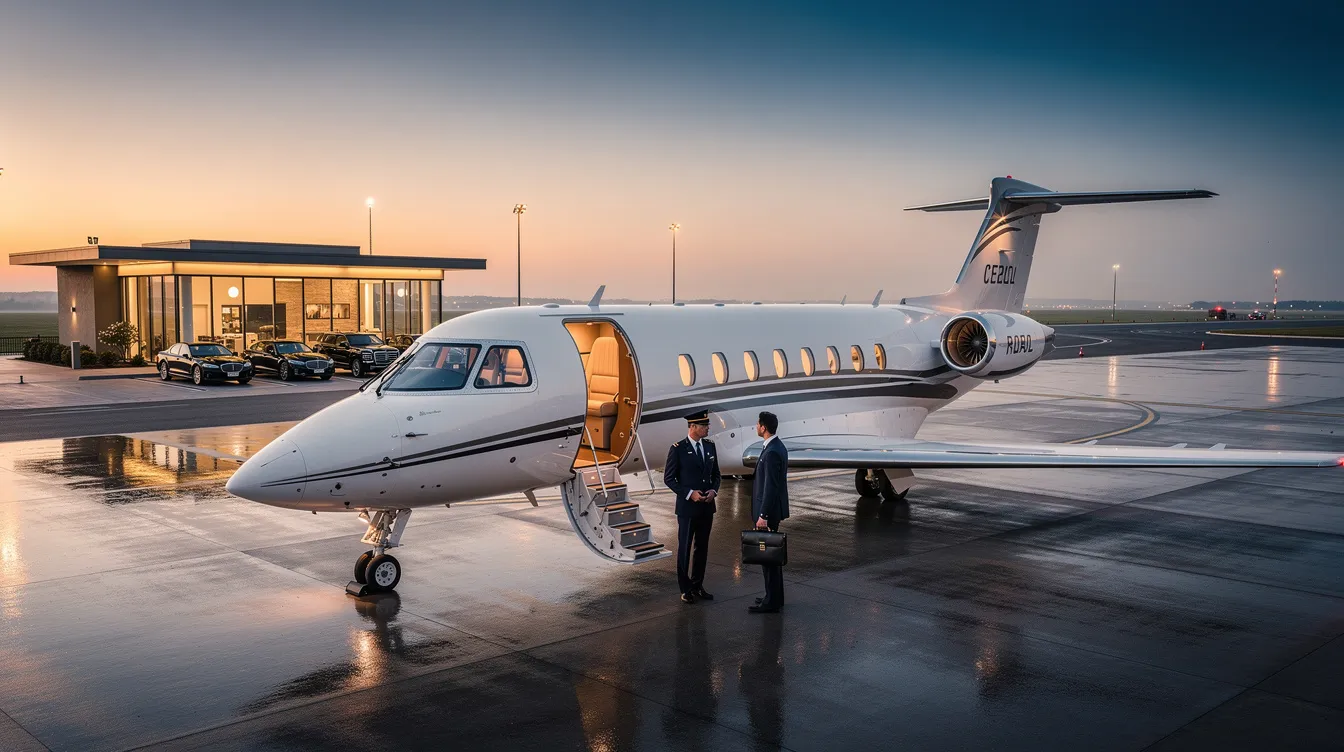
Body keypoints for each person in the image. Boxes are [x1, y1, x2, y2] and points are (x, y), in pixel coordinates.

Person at [663, 410, 720, 603]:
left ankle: (697, 585)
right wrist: (689, 494)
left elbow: (717, 475)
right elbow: (669, 479)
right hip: (687, 509)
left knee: (702, 548)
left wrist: (713, 491)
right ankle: (685, 589)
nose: (707, 428)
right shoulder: (678, 449)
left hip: (707, 507)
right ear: (693, 427)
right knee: (685, 548)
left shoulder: (710, 447)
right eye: (704, 426)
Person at [750, 411, 789, 613]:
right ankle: (773, 597)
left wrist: (763, 515)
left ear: (764, 427)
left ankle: (771, 601)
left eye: (758, 424)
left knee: (769, 559)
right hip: (771, 511)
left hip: (769, 513)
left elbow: (771, 487)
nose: (756, 427)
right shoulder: (776, 446)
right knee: (771, 558)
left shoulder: (772, 451)